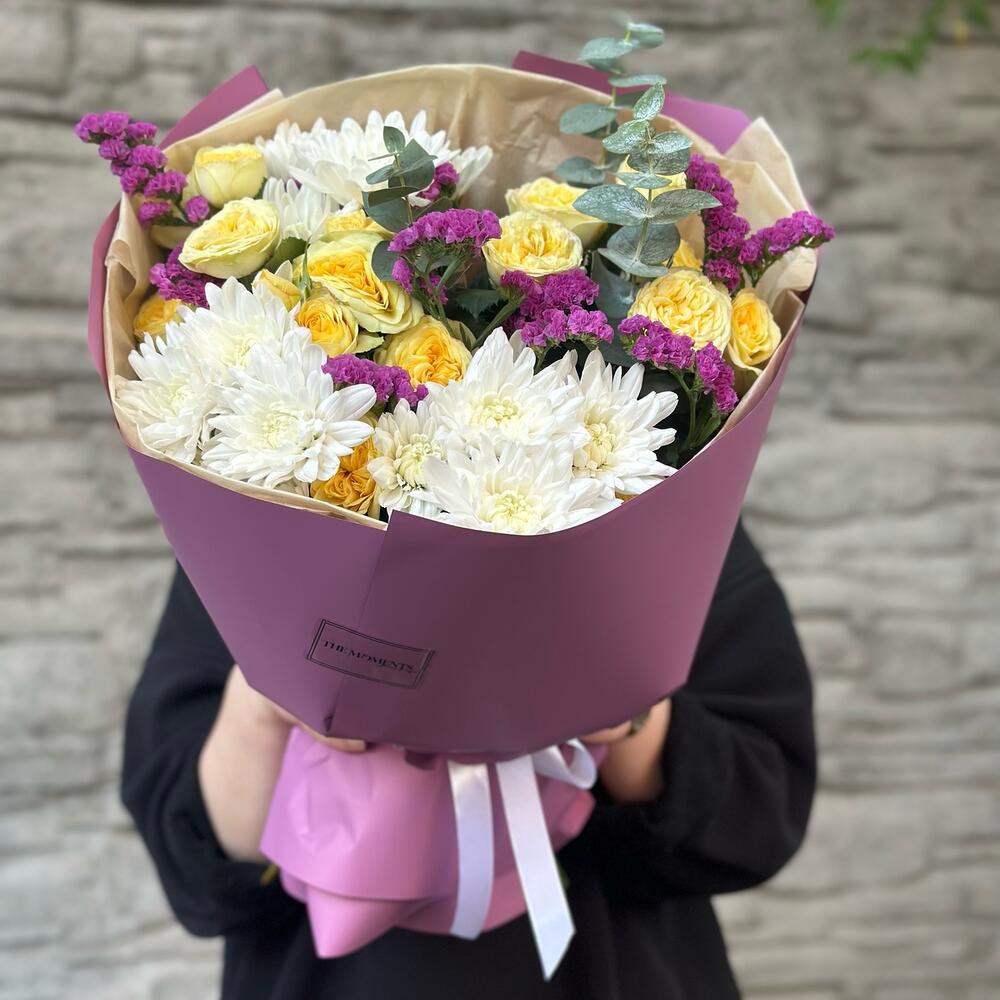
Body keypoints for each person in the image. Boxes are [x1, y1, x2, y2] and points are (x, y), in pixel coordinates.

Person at [121, 520, 815, 999]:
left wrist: (625, 713)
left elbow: (762, 806)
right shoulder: (258, 518)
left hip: (612, 969)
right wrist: (265, 696)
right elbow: (193, 859)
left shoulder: (654, 504)